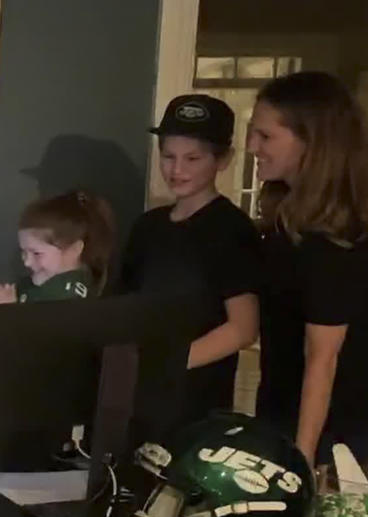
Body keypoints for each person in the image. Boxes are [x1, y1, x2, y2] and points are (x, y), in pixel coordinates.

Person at [247, 71, 368, 465]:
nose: (252, 146)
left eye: (265, 136)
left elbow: (323, 360)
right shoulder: (288, 222)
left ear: (310, 141)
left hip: (332, 444)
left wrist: (301, 463)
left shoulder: (333, 239)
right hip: (281, 417)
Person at [121, 94, 263, 426]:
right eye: (168, 156)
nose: (177, 169)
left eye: (193, 158)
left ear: (223, 159)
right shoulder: (147, 226)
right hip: (136, 396)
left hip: (197, 402)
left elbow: (243, 329)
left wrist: (168, 362)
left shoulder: (232, 229)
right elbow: (125, 305)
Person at [0, 190, 116, 304]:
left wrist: (1, 312)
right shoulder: (46, 284)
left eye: (36, 253)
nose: (27, 262)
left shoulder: (64, 298)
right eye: (24, 252)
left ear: (74, 249)